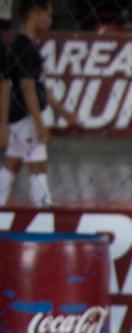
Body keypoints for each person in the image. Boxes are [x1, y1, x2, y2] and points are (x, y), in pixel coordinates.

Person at [1, 0, 74, 209]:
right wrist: (39, 124)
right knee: (37, 162)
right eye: (48, 15)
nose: (50, 20)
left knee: (13, 161)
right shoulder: (25, 47)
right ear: (34, 13)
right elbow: (28, 88)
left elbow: (40, 88)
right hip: (25, 116)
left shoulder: (26, 44)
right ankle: (43, 206)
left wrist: (62, 111)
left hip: (20, 115)